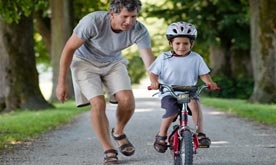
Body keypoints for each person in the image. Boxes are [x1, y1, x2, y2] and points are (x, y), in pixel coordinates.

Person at [55, 0, 157, 164]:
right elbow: (69, 49)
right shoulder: (93, 22)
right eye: (125, 16)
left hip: (113, 63)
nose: (129, 22)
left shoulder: (139, 29)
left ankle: (118, 132)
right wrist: (61, 83)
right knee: (98, 103)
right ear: (112, 14)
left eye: (133, 17)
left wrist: (154, 79)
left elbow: (147, 57)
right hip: (84, 63)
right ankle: (108, 149)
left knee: (127, 100)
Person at [148, 21, 218, 153]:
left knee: (195, 106)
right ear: (171, 44)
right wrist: (154, 82)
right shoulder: (164, 57)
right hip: (169, 92)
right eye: (177, 43)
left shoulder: (196, 58)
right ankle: (161, 135)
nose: (181, 46)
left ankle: (201, 134)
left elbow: (204, 74)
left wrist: (209, 82)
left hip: (189, 91)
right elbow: (153, 72)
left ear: (192, 44)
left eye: (186, 43)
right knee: (172, 111)